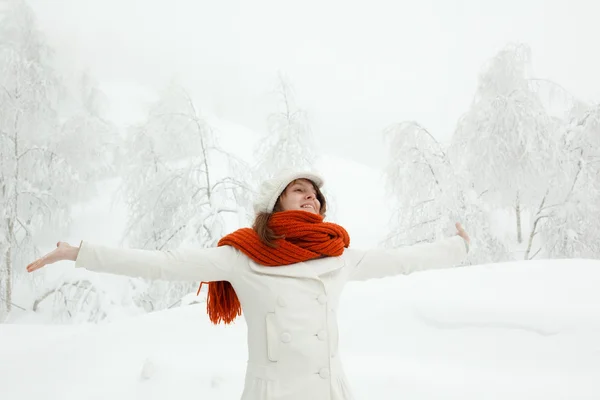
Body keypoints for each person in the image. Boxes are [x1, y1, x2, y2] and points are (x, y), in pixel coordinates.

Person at [27, 169, 471, 400]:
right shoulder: (244, 254)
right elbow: (164, 264)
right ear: (276, 202)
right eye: (298, 190)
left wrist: (456, 248)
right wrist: (81, 252)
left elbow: (401, 261)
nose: (310, 196)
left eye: (314, 193)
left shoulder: (337, 256)